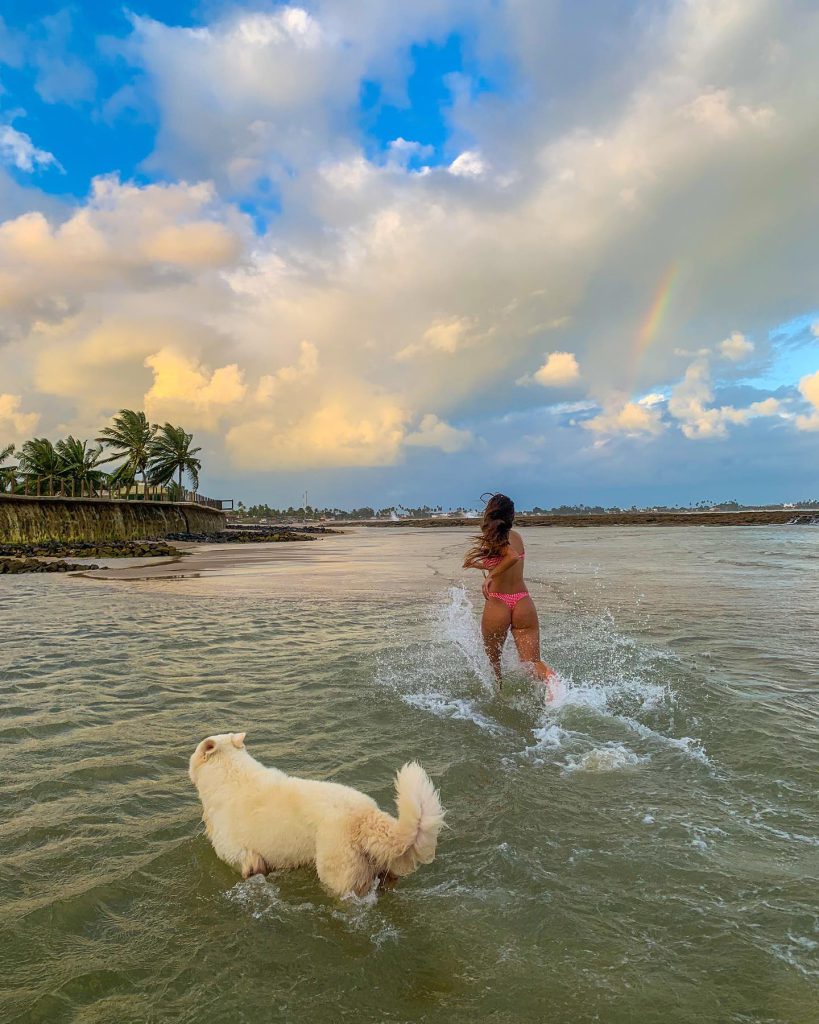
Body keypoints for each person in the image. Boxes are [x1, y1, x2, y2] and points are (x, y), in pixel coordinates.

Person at [463, 493, 557, 691]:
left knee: (494, 665)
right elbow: (506, 560)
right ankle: (551, 681)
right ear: (512, 516)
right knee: (532, 663)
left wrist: (489, 577)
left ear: (489, 513)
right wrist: (478, 565)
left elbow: (511, 557)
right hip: (523, 601)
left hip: (499, 602)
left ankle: (500, 698)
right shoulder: (517, 537)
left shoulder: (491, 538)